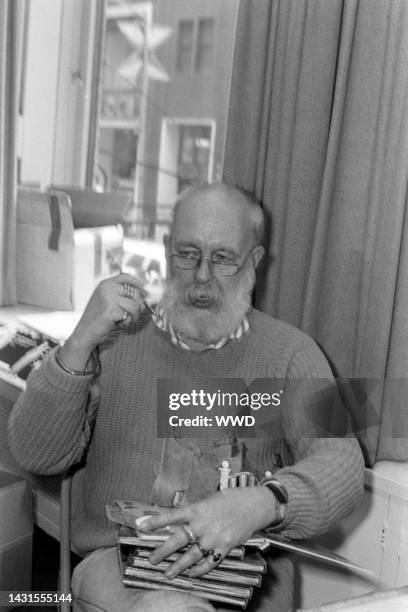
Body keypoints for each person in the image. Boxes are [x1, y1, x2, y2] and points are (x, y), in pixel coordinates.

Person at [8, 182, 364, 612]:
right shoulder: (115, 341)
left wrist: (263, 501)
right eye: (187, 253)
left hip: (249, 574)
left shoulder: (292, 353)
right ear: (165, 248)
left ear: (253, 261)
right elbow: (35, 454)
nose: (201, 277)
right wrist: (79, 341)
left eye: (223, 259)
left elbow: (342, 463)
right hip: (123, 567)